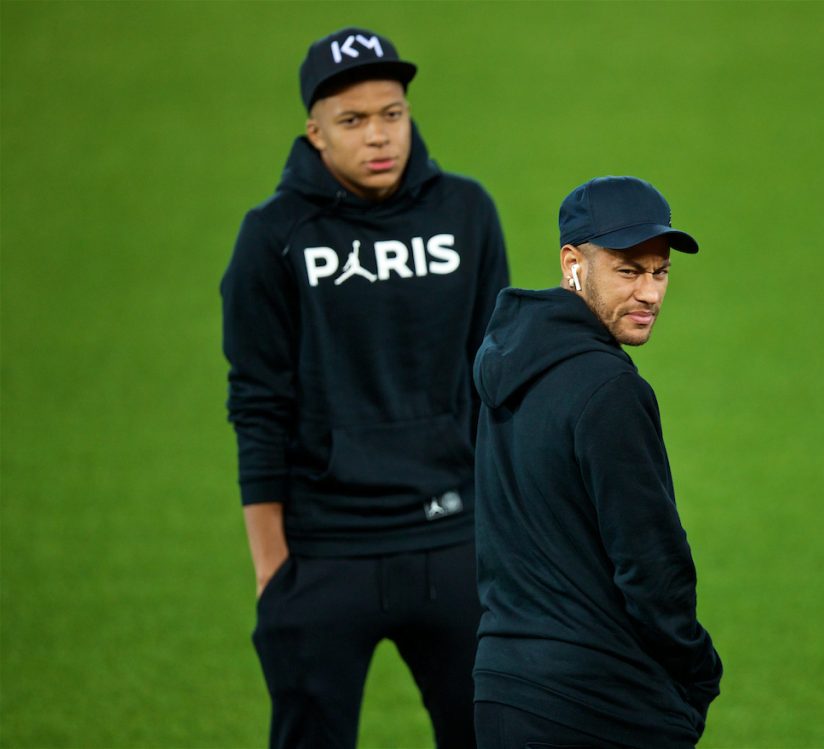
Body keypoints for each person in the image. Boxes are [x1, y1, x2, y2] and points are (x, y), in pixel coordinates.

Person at [220, 26, 508, 749]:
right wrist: (271, 570)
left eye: (392, 113)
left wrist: (503, 534)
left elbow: (495, 379)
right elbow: (257, 402)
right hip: (324, 554)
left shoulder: (467, 215)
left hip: (455, 543)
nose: (378, 136)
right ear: (315, 134)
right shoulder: (274, 237)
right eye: (353, 121)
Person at [472, 176, 723, 749]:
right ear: (573, 263)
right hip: (600, 701)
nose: (651, 294)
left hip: (505, 689)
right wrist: (697, 672)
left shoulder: (506, 363)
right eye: (629, 271)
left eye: (659, 272)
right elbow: (652, 563)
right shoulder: (609, 389)